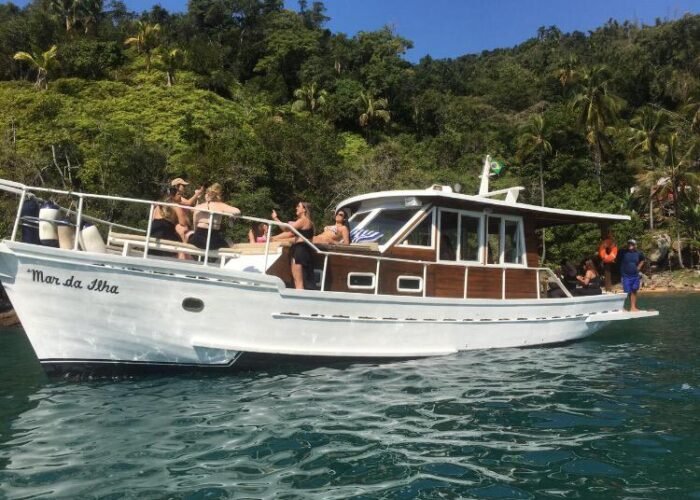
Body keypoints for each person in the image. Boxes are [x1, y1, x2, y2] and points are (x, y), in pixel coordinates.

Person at [271, 202, 315, 290]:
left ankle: (299, 302)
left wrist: (275, 218)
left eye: (298, 206)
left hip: (300, 250)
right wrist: (274, 238)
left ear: (304, 209)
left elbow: (287, 229)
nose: (296, 208)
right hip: (303, 250)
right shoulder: (306, 221)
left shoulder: (303, 220)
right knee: (301, 281)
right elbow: (289, 233)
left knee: (298, 282)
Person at [187, 183, 241, 250]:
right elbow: (237, 211)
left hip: (198, 239)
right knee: (230, 246)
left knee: (189, 236)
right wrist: (231, 216)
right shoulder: (221, 206)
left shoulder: (199, 207)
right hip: (213, 240)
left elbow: (195, 226)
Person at [619, 238, 645, 312]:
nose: (630, 245)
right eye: (629, 243)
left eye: (632, 244)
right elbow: (614, 251)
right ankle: (622, 308)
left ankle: (633, 308)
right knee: (626, 292)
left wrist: (639, 266)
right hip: (626, 275)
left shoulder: (639, 253)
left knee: (634, 291)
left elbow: (643, 259)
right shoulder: (622, 252)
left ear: (635, 245)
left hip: (635, 275)